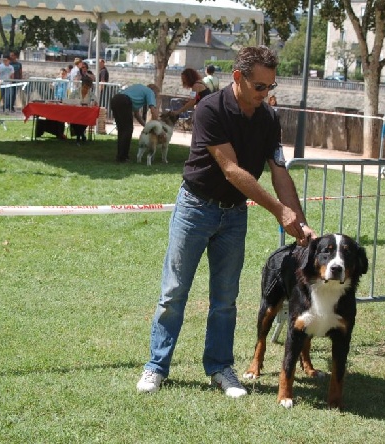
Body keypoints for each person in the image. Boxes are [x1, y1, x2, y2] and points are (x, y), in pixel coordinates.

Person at [136, 46, 316, 397]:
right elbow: (232, 171)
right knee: (173, 293)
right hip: (195, 208)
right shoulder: (209, 108)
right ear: (238, 78)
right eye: (260, 87)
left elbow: (279, 171)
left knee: (225, 298)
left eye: (271, 86)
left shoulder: (268, 118)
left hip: (234, 215)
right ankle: (156, 367)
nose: (266, 94)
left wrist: (300, 223)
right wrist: (280, 211)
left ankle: (220, 368)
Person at [109, 83, 160, 163]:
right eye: (156, 95)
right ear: (154, 92)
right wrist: (157, 126)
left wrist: (146, 127)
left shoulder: (139, 90)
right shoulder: (150, 92)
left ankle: (120, 156)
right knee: (127, 130)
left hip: (115, 99)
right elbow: (153, 110)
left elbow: (137, 115)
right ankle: (123, 157)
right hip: (124, 101)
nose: (155, 97)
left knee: (122, 130)